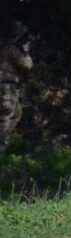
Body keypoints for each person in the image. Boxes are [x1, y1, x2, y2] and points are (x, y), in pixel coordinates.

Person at [0, 22, 34, 154]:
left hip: (7, 88)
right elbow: (26, 65)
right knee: (5, 117)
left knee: (16, 113)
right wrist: (26, 51)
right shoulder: (10, 48)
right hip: (6, 88)